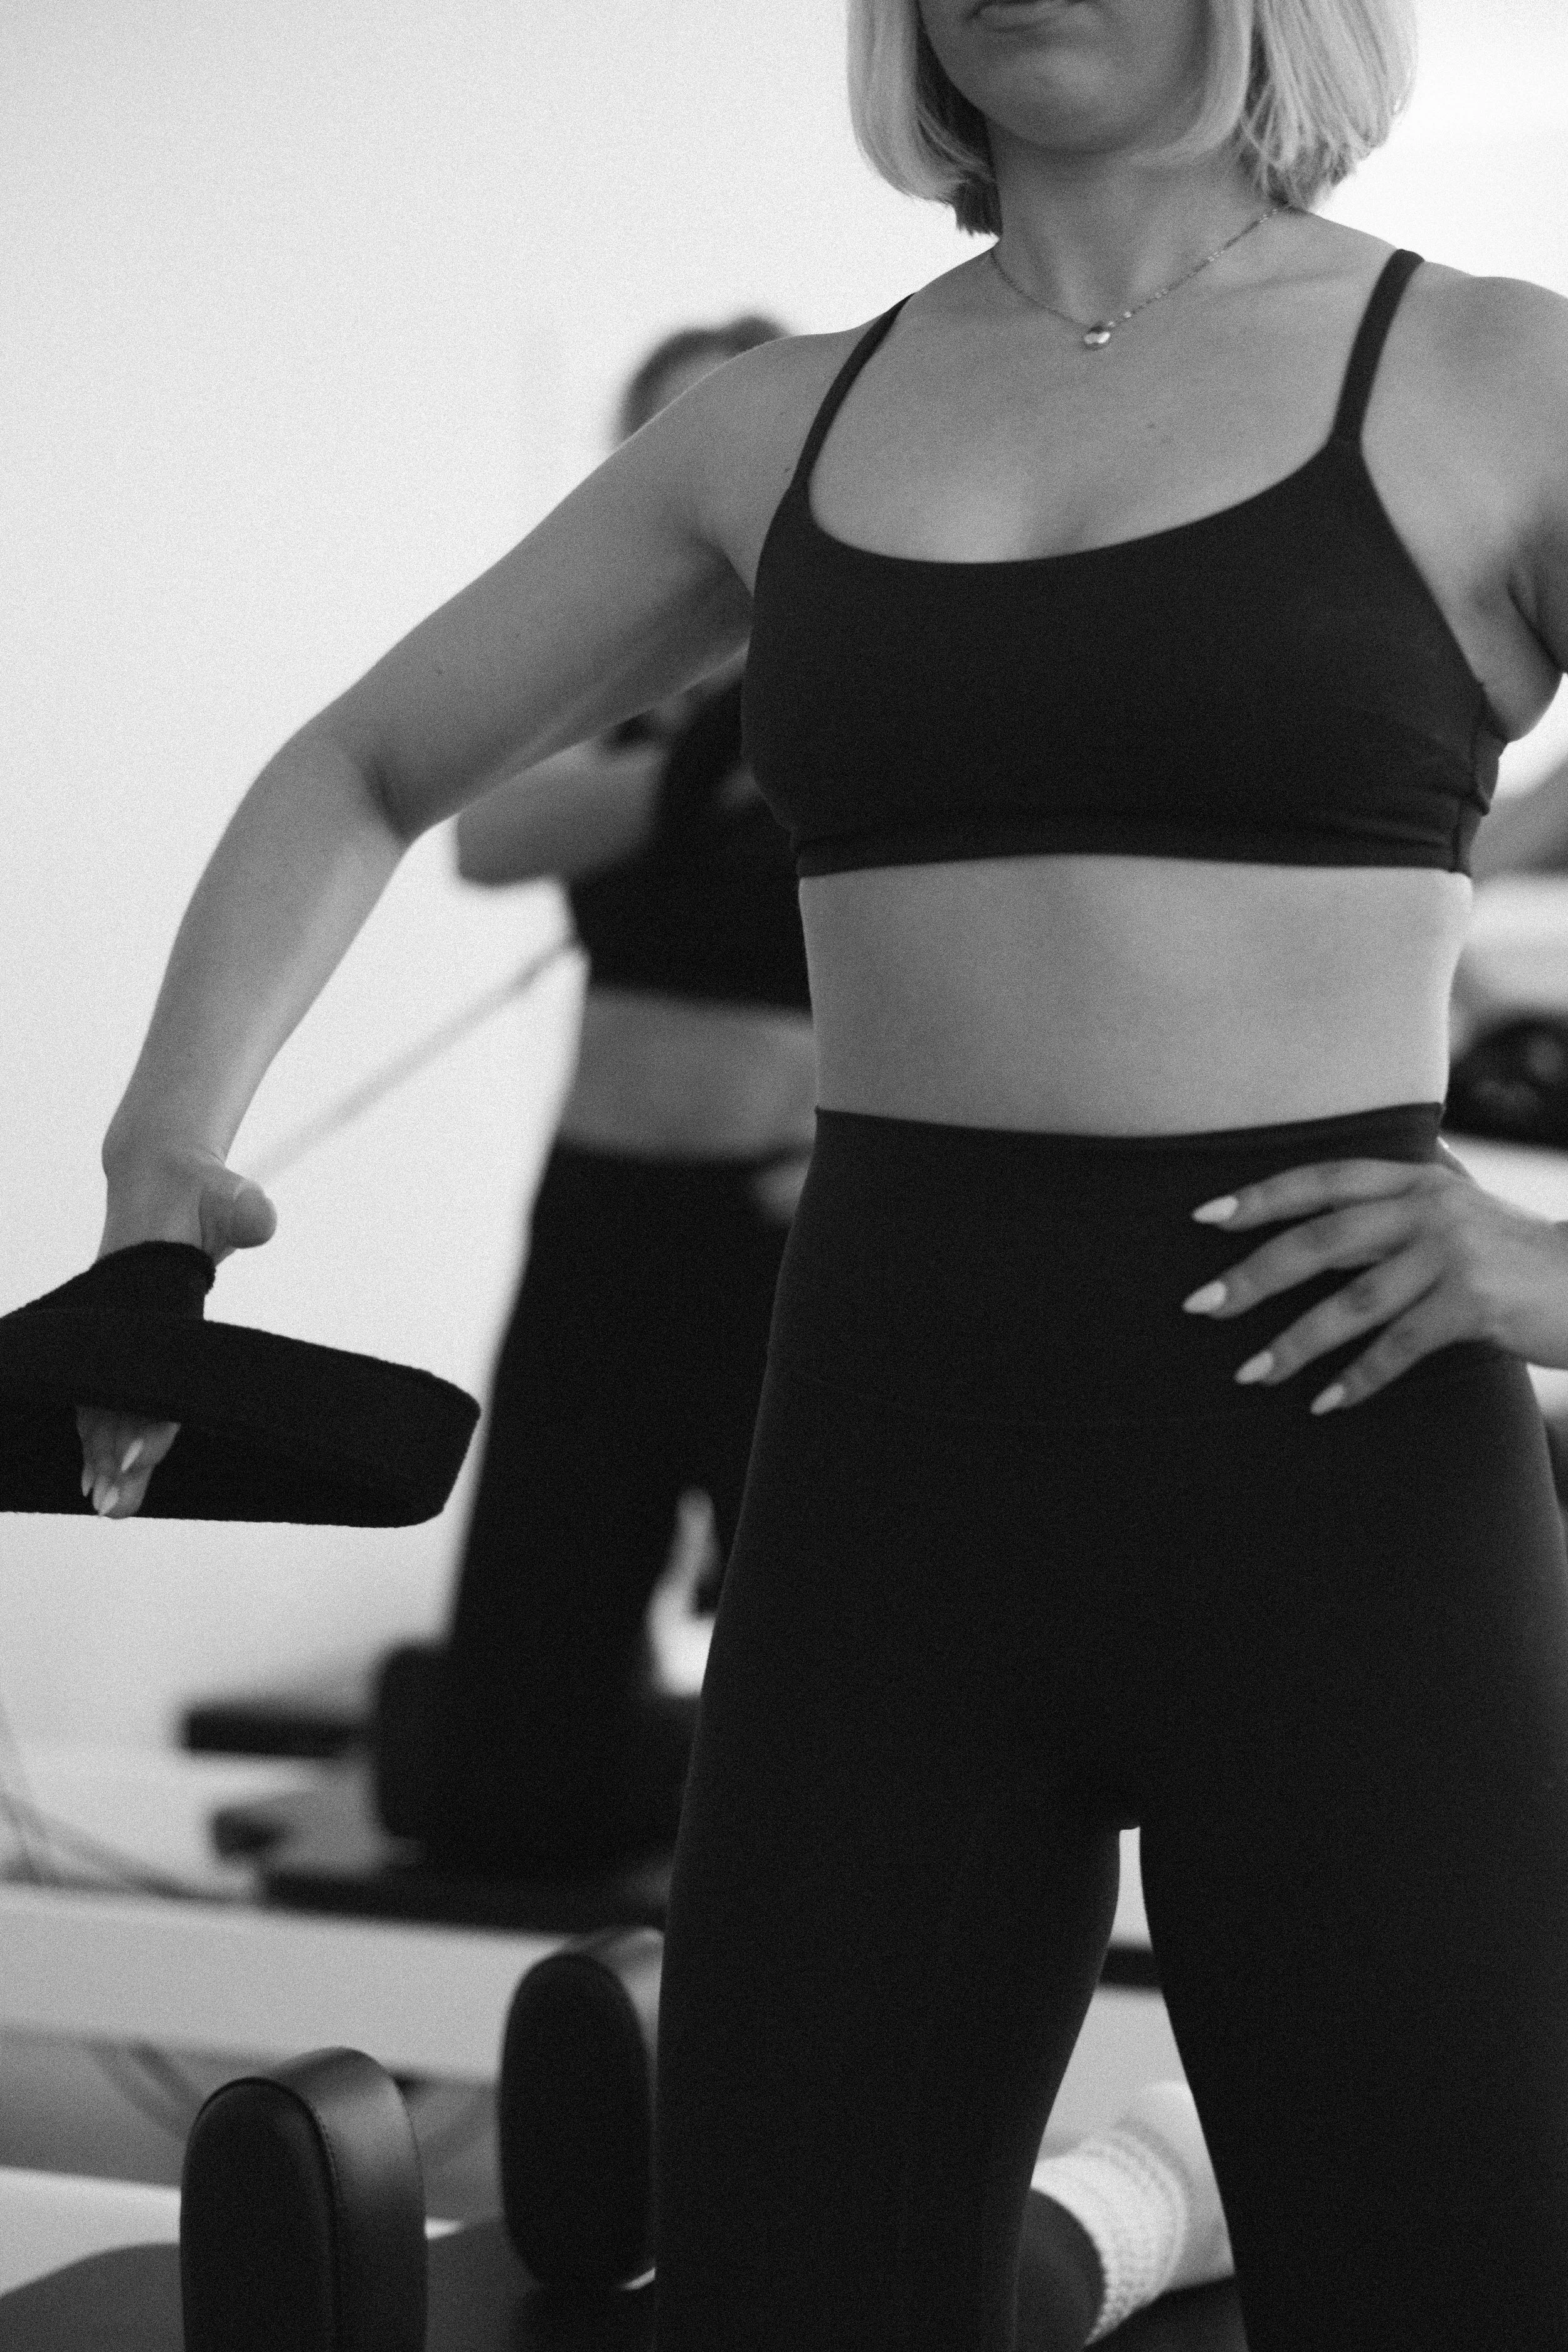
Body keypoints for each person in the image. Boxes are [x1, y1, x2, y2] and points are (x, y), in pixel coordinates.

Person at [74, 0, 1568, 2342]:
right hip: (885, 1497)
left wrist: (1557, 1268)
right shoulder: (779, 426)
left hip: (1340, 1498)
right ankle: (1103, 2216)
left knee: (1439, 2286)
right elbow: (373, 763)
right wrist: (165, 1151)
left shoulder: (1494, 378)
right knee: (792, 2300)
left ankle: (1123, 2205)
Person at [420, 316, 815, 1878]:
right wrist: (688, 768)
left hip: (787, 1213)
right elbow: (485, 834)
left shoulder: (865, 677)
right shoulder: (622, 682)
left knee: (814, 1638)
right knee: (526, 1652)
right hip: (597, 1209)